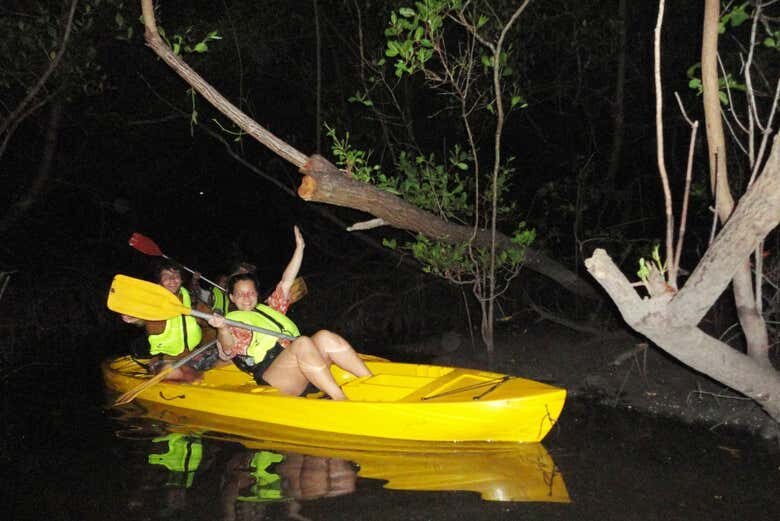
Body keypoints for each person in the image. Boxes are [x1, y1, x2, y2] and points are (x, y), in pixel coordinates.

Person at [208, 226, 371, 400]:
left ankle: (371, 381)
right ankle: (341, 400)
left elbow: (286, 282)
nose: (246, 298)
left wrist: (300, 248)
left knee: (324, 336)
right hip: (276, 379)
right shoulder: (229, 321)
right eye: (240, 294)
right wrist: (223, 329)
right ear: (232, 297)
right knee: (302, 343)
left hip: (303, 368)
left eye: (251, 292)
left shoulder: (270, 309)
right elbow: (228, 349)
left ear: (257, 293)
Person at [121, 260, 216, 381]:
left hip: (194, 355)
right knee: (177, 373)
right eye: (166, 276)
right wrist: (133, 318)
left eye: (176, 275)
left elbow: (209, 318)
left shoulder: (192, 300)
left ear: (181, 280)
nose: (172, 279)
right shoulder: (151, 302)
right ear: (159, 280)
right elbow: (142, 320)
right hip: (166, 360)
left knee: (227, 359)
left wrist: (219, 320)